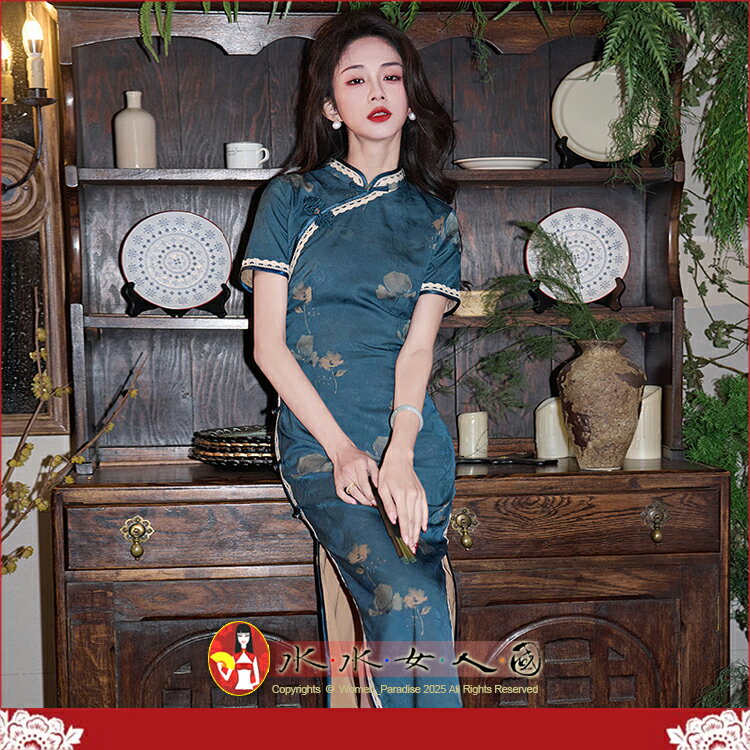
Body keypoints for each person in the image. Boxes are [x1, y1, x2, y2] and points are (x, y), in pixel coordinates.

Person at [240, 8, 463, 708]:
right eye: (356, 79)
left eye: (391, 77)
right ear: (332, 107)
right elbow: (268, 346)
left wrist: (402, 451)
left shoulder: (436, 217)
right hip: (320, 442)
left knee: (421, 602)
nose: (377, 91)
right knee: (406, 597)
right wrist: (341, 452)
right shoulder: (291, 198)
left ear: (410, 96)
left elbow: (418, 347)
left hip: (411, 446)